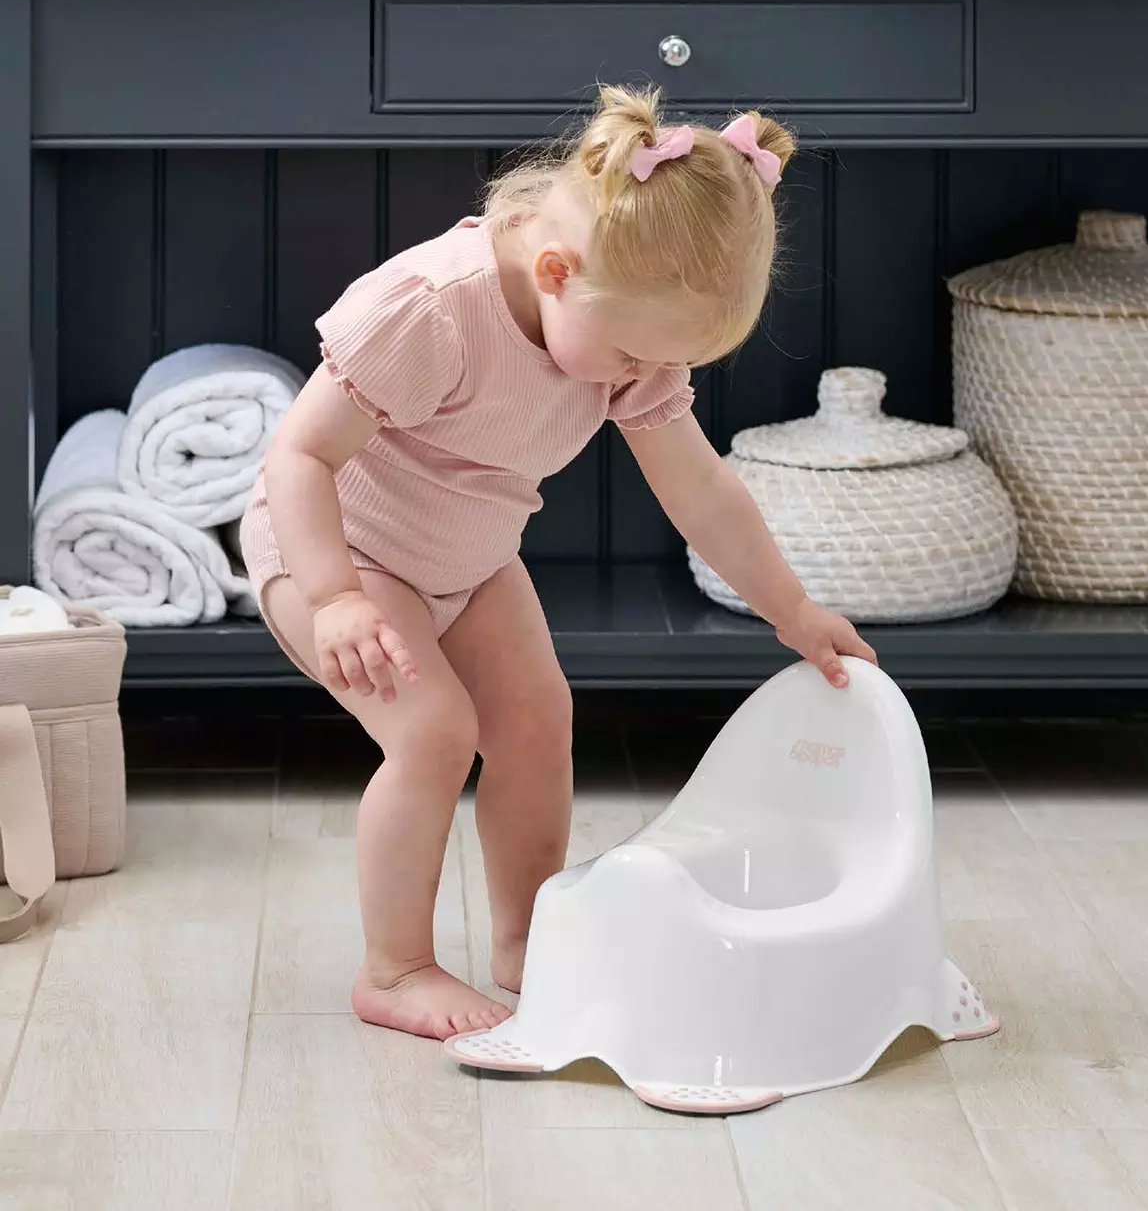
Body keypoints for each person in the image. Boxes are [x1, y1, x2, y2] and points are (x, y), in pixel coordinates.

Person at [242, 85, 877, 1042]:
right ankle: (395, 968)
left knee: (539, 723)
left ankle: (524, 942)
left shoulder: (620, 328)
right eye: (629, 356)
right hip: (341, 550)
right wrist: (331, 596)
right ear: (554, 272)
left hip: (469, 559)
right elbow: (300, 456)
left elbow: (700, 489)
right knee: (435, 733)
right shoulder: (434, 310)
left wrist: (793, 609)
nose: (640, 378)